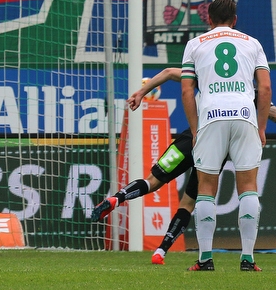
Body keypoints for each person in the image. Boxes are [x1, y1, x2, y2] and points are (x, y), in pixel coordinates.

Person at [92, 69, 276, 265]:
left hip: (190, 137)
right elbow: (271, 111)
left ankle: (116, 198)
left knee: (151, 181)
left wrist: (142, 92)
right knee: (189, 203)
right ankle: (161, 251)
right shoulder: (246, 91)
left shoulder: (206, 75)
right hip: (215, 146)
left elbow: (169, 72)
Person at [181, 0, 271, 272]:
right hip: (244, 115)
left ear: (208, 19)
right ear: (235, 20)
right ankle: (247, 258)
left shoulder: (195, 44)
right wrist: (262, 126)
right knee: (248, 186)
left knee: (206, 188)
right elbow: (265, 88)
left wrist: (195, 129)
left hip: (210, 115)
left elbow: (187, 90)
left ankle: (205, 258)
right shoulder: (252, 43)